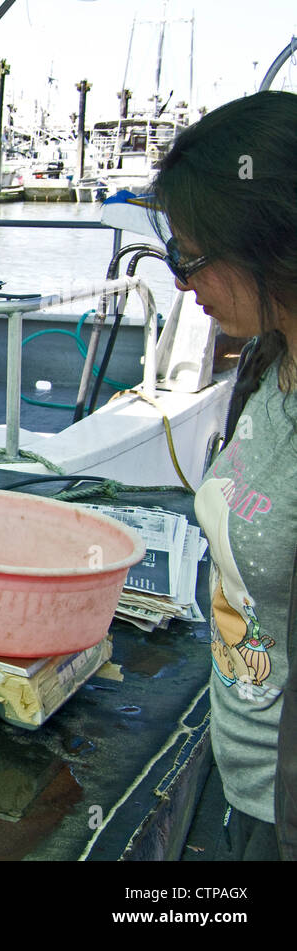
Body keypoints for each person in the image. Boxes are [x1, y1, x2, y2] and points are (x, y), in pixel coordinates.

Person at [150, 90, 297, 860]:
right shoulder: (266, 366)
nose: (180, 281)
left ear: (267, 243)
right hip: (238, 782)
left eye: (189, 254)